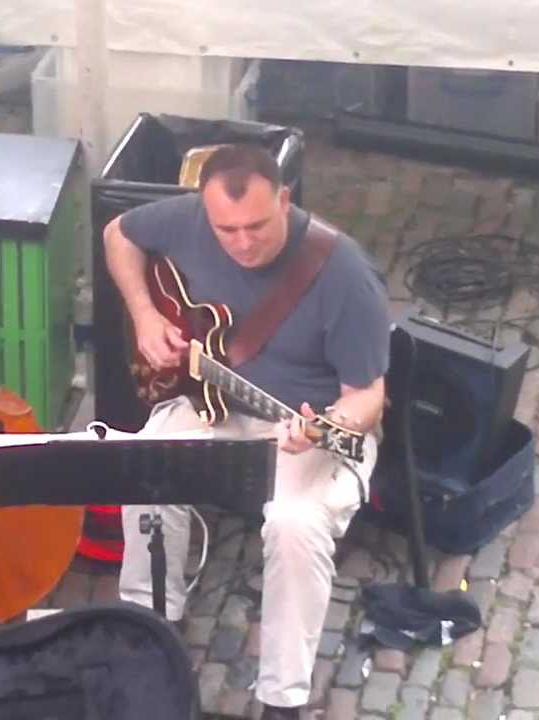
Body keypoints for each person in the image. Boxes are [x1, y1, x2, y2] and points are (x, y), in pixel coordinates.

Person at [103, 144, 390, 719]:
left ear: (285, 199)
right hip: (216, 401)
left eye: (257, 225)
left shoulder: (344, 273)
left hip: (308, 428)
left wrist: (326, 426)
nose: (241, 242)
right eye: (225, 229)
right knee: (145, 464)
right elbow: (118, 233)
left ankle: (281, 698)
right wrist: (144, 314)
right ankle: (152, 623)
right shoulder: (187, 219)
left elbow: (370, 398)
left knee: (293, 525)